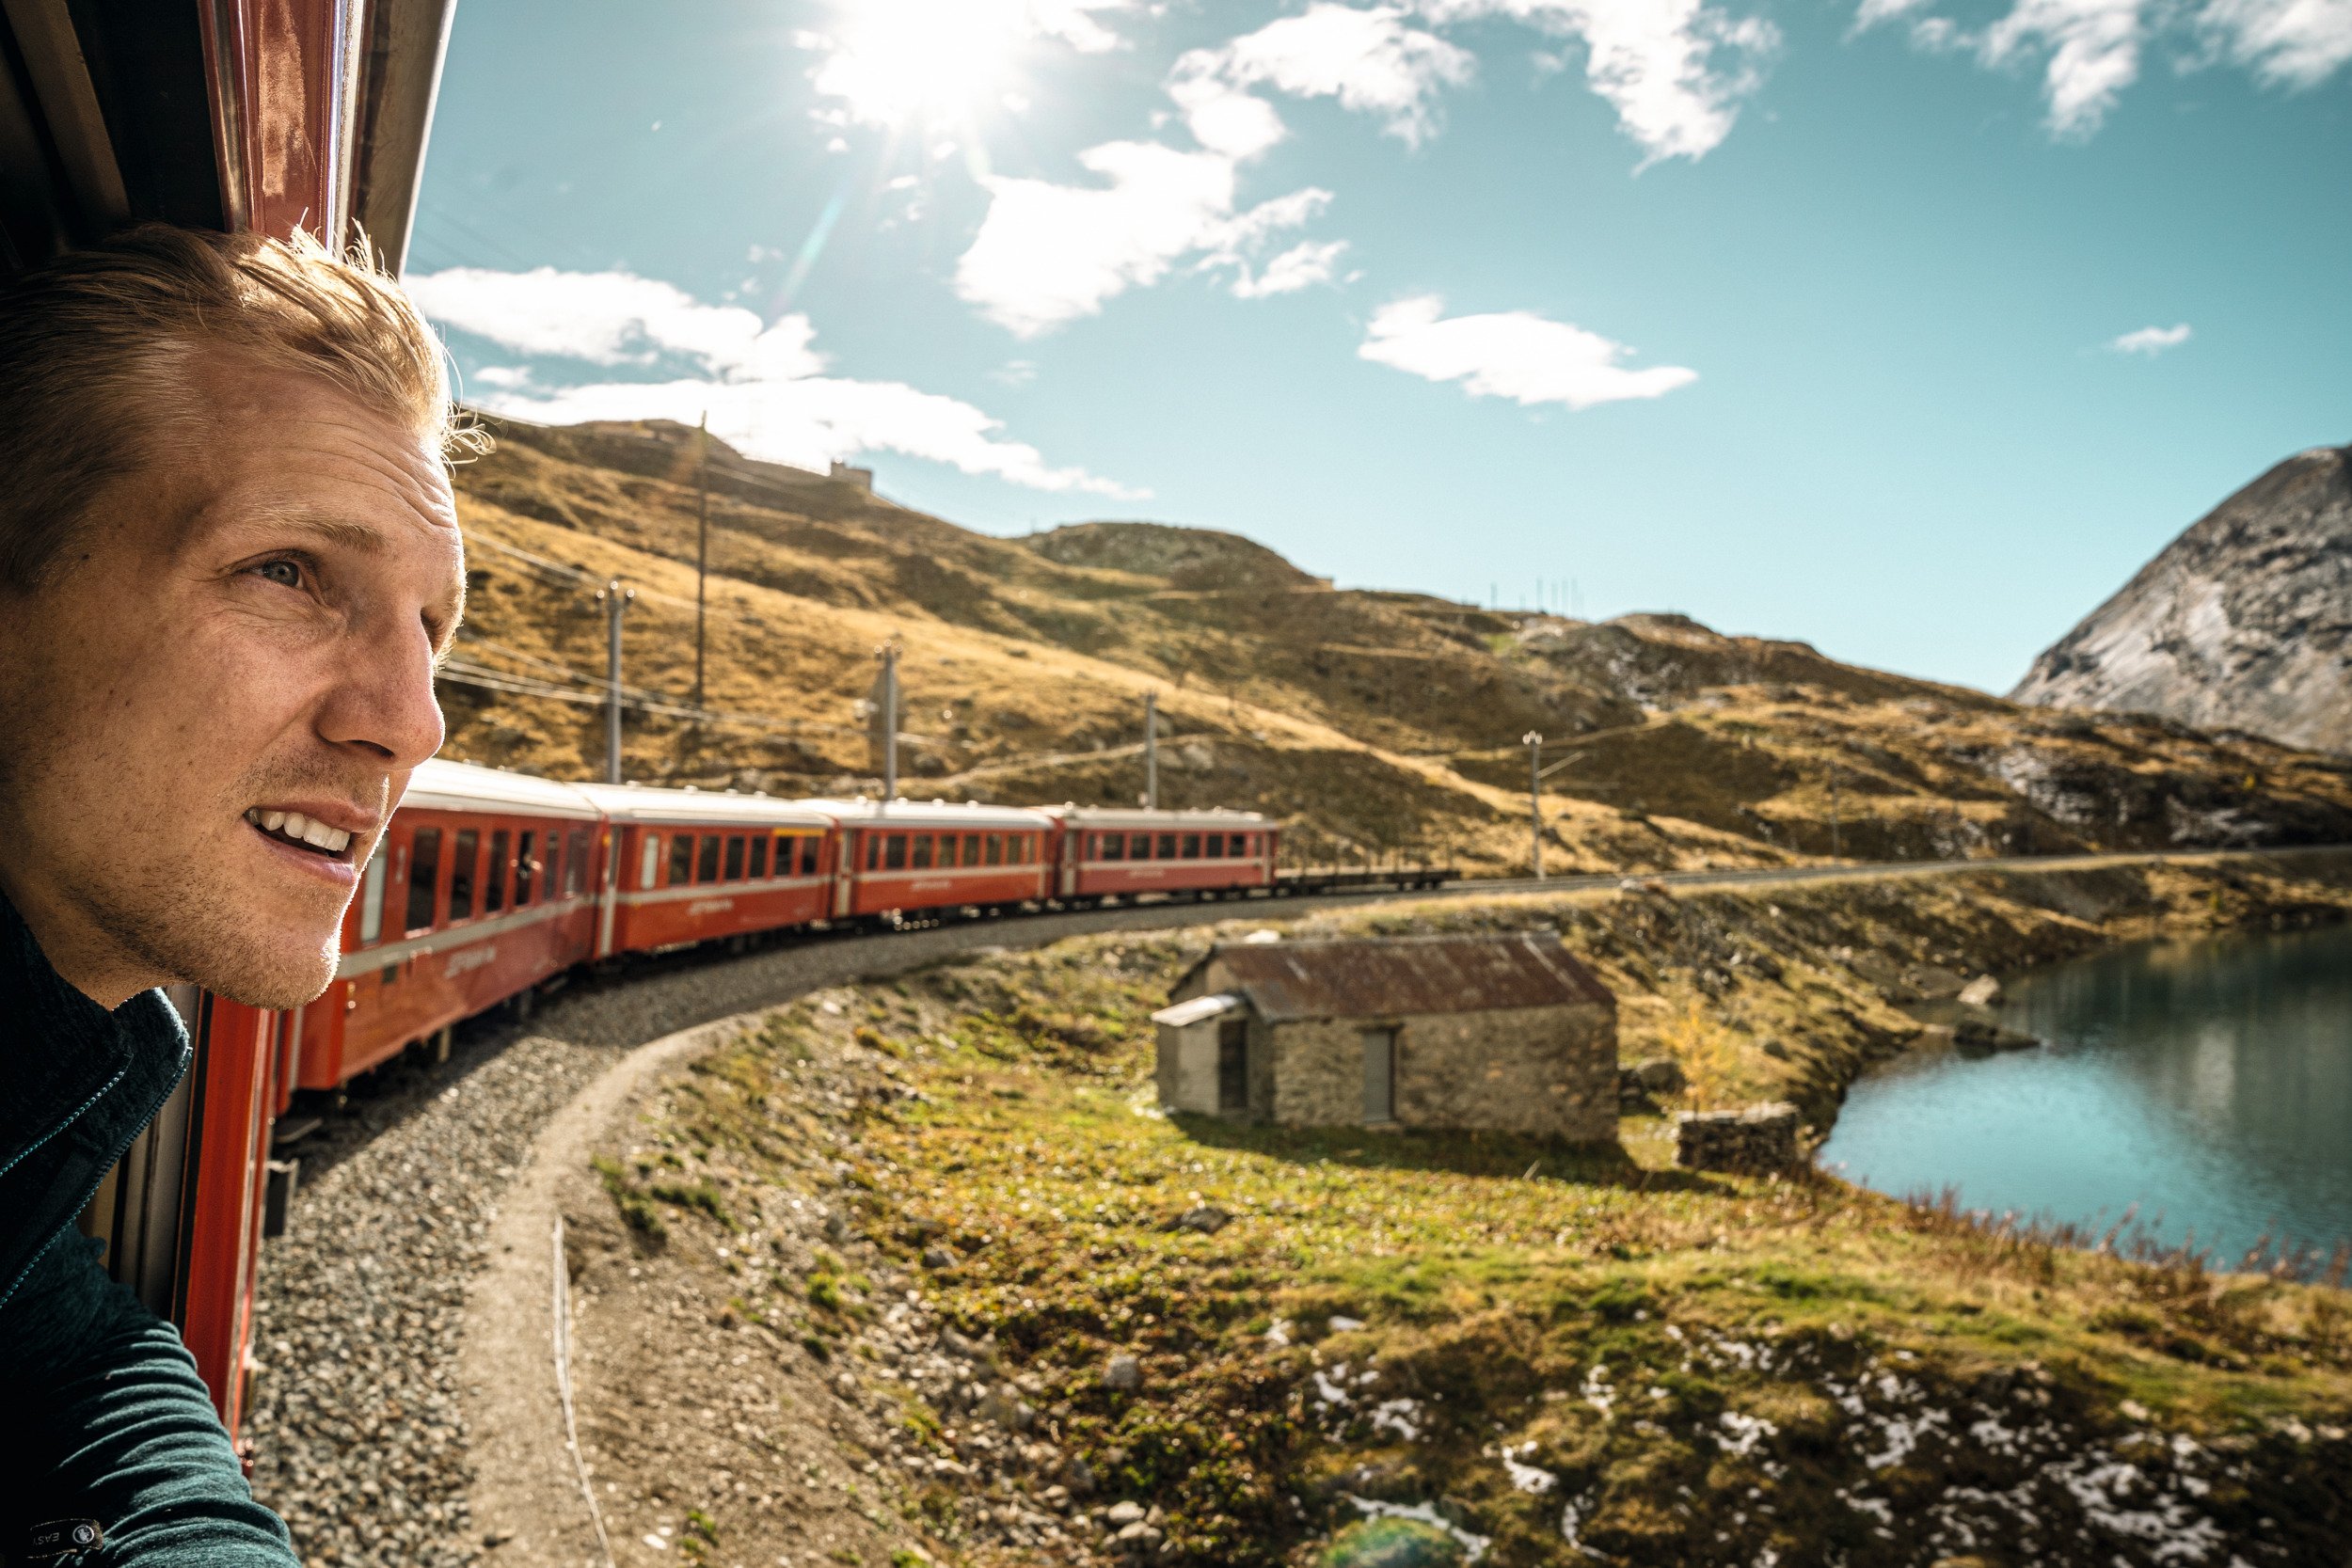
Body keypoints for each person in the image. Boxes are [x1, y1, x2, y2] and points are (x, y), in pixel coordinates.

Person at [0, 226, 470, 1562]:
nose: (413, 724)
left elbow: (59, 1328)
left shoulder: (48, 1084)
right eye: (289, 572)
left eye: (432, 630)